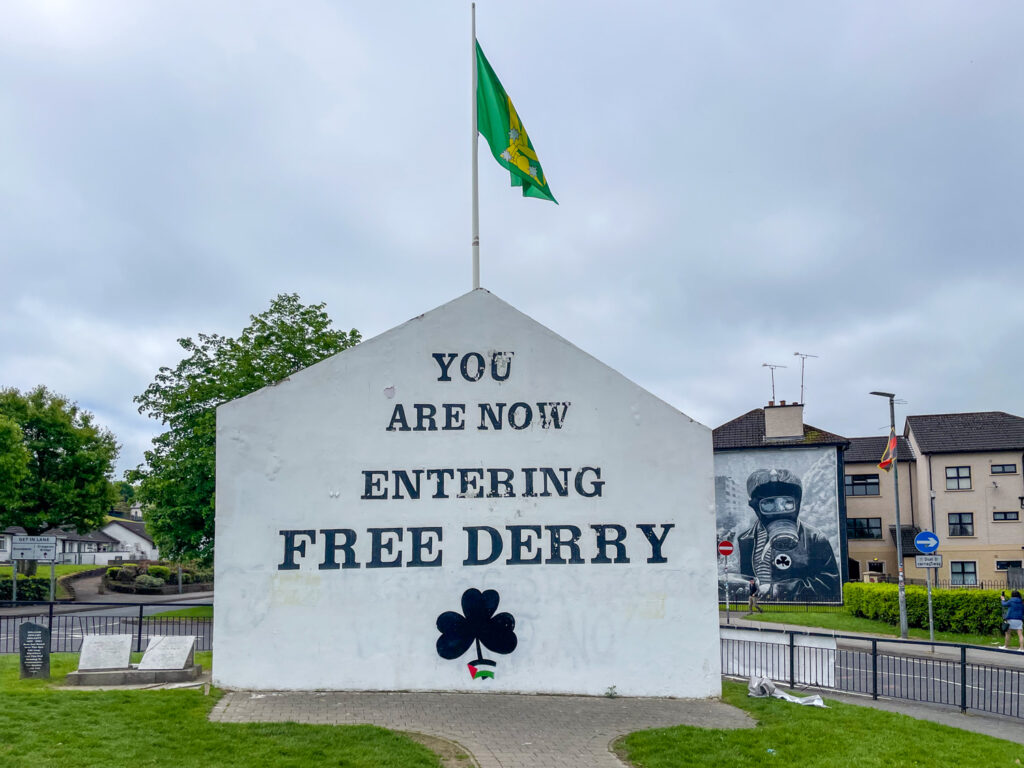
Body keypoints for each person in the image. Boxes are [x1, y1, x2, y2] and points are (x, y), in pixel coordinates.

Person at [736, 468, 840, 602]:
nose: (779, 510)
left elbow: (830, 584)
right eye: (768, 504)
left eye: (787, 503)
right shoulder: (745, 540)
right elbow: (745, 578)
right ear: (754, 506)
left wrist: (779, 590)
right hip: (758, 609)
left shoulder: (815, 538)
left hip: (794, 608)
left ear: (797, 503)